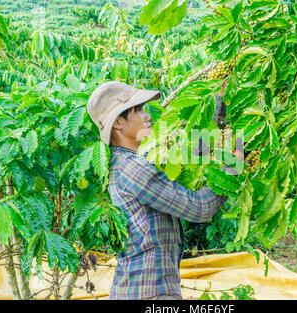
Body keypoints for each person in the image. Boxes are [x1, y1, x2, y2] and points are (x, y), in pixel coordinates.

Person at [87, 81, 243, 300]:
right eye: (139, 110)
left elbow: (193, 152)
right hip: (148, 294)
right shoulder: (132, 168)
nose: (148, 116)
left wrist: (218, 100)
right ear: (118, 123)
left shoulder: (138, 158)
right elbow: (199, 208)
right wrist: (235, 164)